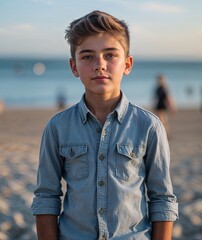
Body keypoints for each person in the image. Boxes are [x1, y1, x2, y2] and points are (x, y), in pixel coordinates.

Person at [31, 10, 178, 240]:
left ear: (127, 64)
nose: (100, 64)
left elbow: (162, 199)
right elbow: (46, 197)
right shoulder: (57, 128)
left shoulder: (149, 126)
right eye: (87, 56)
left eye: (110, 55)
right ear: (74, 67)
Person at [153, 74, 176, 138]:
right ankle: (165, 132)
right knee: (159, 121)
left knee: (163, 121)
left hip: (163, 107)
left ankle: (167, 133)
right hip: (158, 106)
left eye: (160, 80)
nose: (159, 81)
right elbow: (156, 98)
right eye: (158, 80)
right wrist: (153, 106)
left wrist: (172, 107)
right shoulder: (157, 88)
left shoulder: (164, 89)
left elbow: (169, 98)